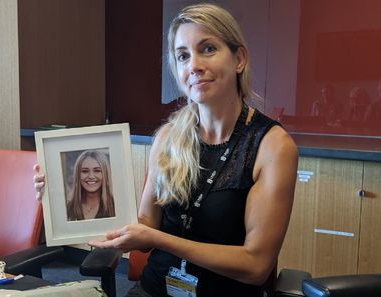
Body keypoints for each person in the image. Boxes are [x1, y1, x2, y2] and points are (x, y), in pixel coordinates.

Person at [34, 3, 298, 296]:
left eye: (208, 49)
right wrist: (61, 198)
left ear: (239, 59)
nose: (194, 65)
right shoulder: (169, 137)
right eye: (183, 55)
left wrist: (161, 239)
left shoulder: (271, 145)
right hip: (154, 289)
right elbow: (145, 231)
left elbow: (255, 266)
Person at [35, 149, 115, 221]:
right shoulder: (66, 208)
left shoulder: (116, 207)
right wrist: (45, 202)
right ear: (77, 175)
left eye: (97, 170)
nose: (91, 176)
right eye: (85, 171)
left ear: (105, 174)